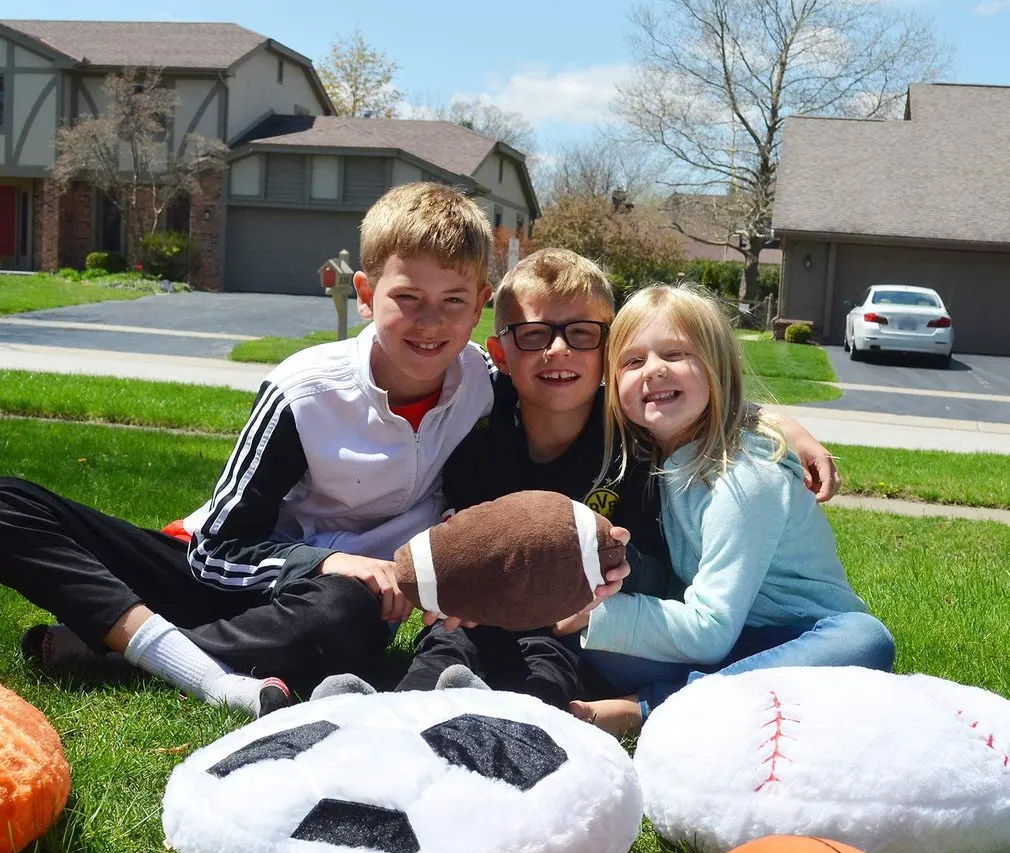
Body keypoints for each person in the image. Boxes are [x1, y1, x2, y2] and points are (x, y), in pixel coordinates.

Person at [2, 182, 501, 716]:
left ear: (480, 305)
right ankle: (184, 658)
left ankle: (125, 645)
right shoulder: (305, 391)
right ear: (364, 294)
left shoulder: (485, 387)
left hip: (331, 606)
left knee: (343, 615)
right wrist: (325, 562)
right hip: (212, 575)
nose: (430, 322)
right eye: (407, 298)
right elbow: (216, 549)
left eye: (454, 300)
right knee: (7, 505)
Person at [398, 250, 846, 708]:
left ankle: (569, 717)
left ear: (603, 354)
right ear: (502, 355)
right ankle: (391, 717)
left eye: (581, 333)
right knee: (454, 647)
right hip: (492, 615)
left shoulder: (637, 445)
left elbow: (661, 570)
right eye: (533, 335)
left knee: (555, 664)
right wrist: (455, 582)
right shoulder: (479, 427)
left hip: (587, 621)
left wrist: (612, 565)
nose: (559, 349)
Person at [566, 284, 895, 736]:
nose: (654, 370)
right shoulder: (655, 454)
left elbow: (709, 630)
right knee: (601, 647)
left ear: (717, 367)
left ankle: (652, 706)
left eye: (675, 354)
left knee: (866, 642)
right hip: (734, 643)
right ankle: (730, 692)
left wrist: (597, 615)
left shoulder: (746, 478)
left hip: (804, 639)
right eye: (633, 361)